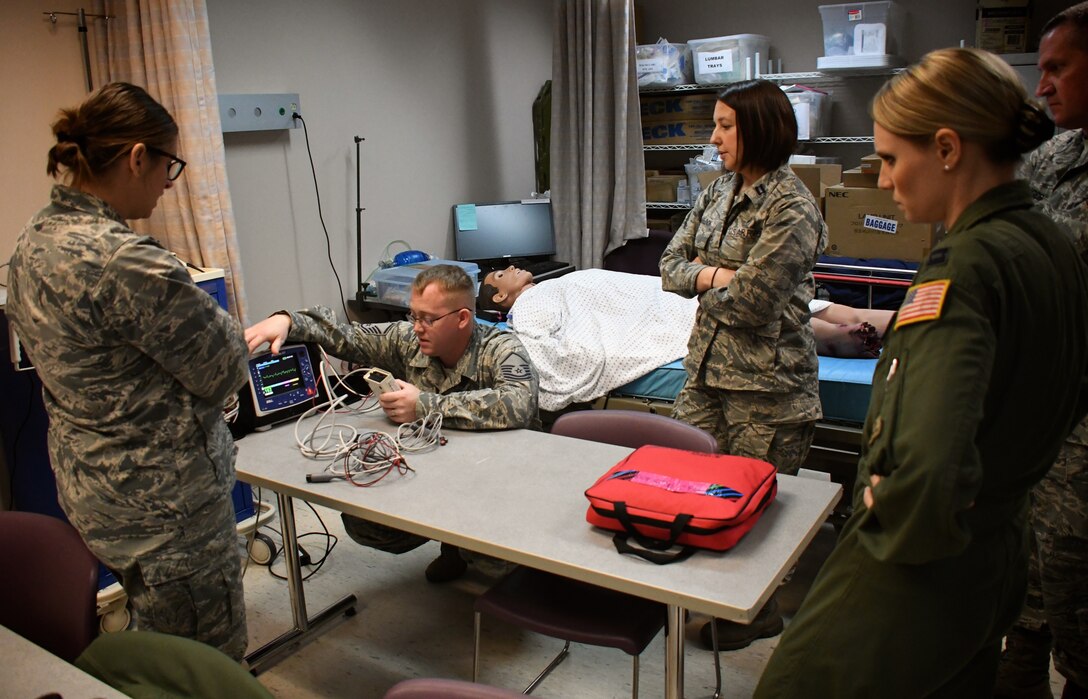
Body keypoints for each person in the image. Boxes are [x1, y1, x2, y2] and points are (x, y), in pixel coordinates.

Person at [754, 47, 1088, 698]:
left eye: (892, 158)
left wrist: (886, 503)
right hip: (1000, 547)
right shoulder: (1052, 245)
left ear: (946, 149)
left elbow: (929, 469)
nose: (883, 180)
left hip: (921, 563)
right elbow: (1071, 390)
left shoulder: (963, 269)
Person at [5, 83, 250, 659]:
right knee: (198, 667)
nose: (169, 184)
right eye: (169, 167)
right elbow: (226, 369)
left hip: (96, 493)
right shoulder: (127, 261)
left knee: (153, 641)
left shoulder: (32, 242)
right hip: (171, 514)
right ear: (138, 157)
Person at [655, 79, 828, 650]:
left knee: (755, 507)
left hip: (768, 387)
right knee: (689, 489)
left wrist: (710, 277)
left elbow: (756, 303)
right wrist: (715, 275)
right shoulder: (718, 191)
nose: (714, 137)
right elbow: (669, 265)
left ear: (759, 129)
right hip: (705, 373)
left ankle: (758, 614)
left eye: (725, 126)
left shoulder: (792, 206)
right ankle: (699, 594)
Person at [244, 264, 539, 582]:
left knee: (496, 563)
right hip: (440, 473)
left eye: (428, 319)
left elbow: (519, 404)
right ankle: (453, 545)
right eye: (413, 316)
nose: (417, 328)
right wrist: (286, 320)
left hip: (495, 482)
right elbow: (347, 337)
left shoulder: (502, 348)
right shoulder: (408, 340)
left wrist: (423, 406)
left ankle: (477, 550)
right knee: (365, 524)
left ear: (463, 318)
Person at [997, 4, 1088, 698]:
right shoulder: (1055, 157)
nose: (1043, 85)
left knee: (1076, 589)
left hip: (1083, 428)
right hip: (1034, 418)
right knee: (1023, 583)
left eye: (1058, 67)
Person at [480, 266, 892, 363]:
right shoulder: (529, 304)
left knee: (755, 312)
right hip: (656, 306)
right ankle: (844, 328)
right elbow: (537, 343)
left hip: (655, 293)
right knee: (774, 309)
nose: (512, 267)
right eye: (502, 274)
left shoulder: (549, 284)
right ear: (500, 299)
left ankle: (832, 333)